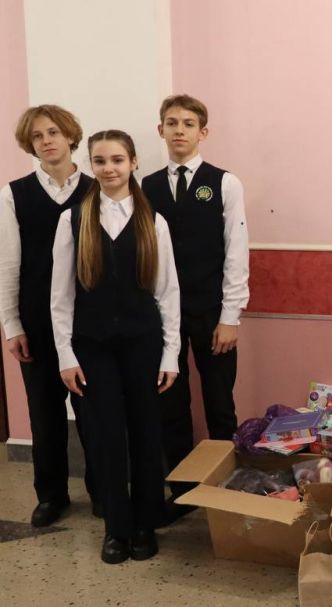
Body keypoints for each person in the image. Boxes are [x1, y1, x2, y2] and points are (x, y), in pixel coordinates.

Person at [51, 129, 180, 564]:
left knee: (146, 432)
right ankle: (116, 528)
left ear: (133, 163)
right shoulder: (72, 220)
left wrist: (170, 354)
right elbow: (61, 297)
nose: (109, 169)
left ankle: (145, 524)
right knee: (106, 435)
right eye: (101, 161)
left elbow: (168, 293)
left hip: (143, 343)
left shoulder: (153, 221)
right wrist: (66, 355)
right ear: (91, 165)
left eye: (118, 160)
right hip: (93, 347)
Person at [140, 94, 249, 518]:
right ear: (161, 130)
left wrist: (230, 316)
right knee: (171, 403)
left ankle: (226, 486)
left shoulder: (224, 182)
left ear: (203, 132)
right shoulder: (145, 186)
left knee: (220, 403)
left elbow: (236, 251)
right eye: (172, 123)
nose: (179, 130)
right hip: (162, 315)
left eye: (188, 123)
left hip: (211, 313)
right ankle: (183, 491)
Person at [0, 105, 99, 526]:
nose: (46, 141)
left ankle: (103, 490)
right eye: (38, 136)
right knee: (44, 413)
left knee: (94, 413)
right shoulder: (13, 194)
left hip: (90, 321)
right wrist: (12, 324)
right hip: (37, 320)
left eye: (53, 132)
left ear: (71, 136)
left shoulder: (97, 189)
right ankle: (51, 495)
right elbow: (8, 264)